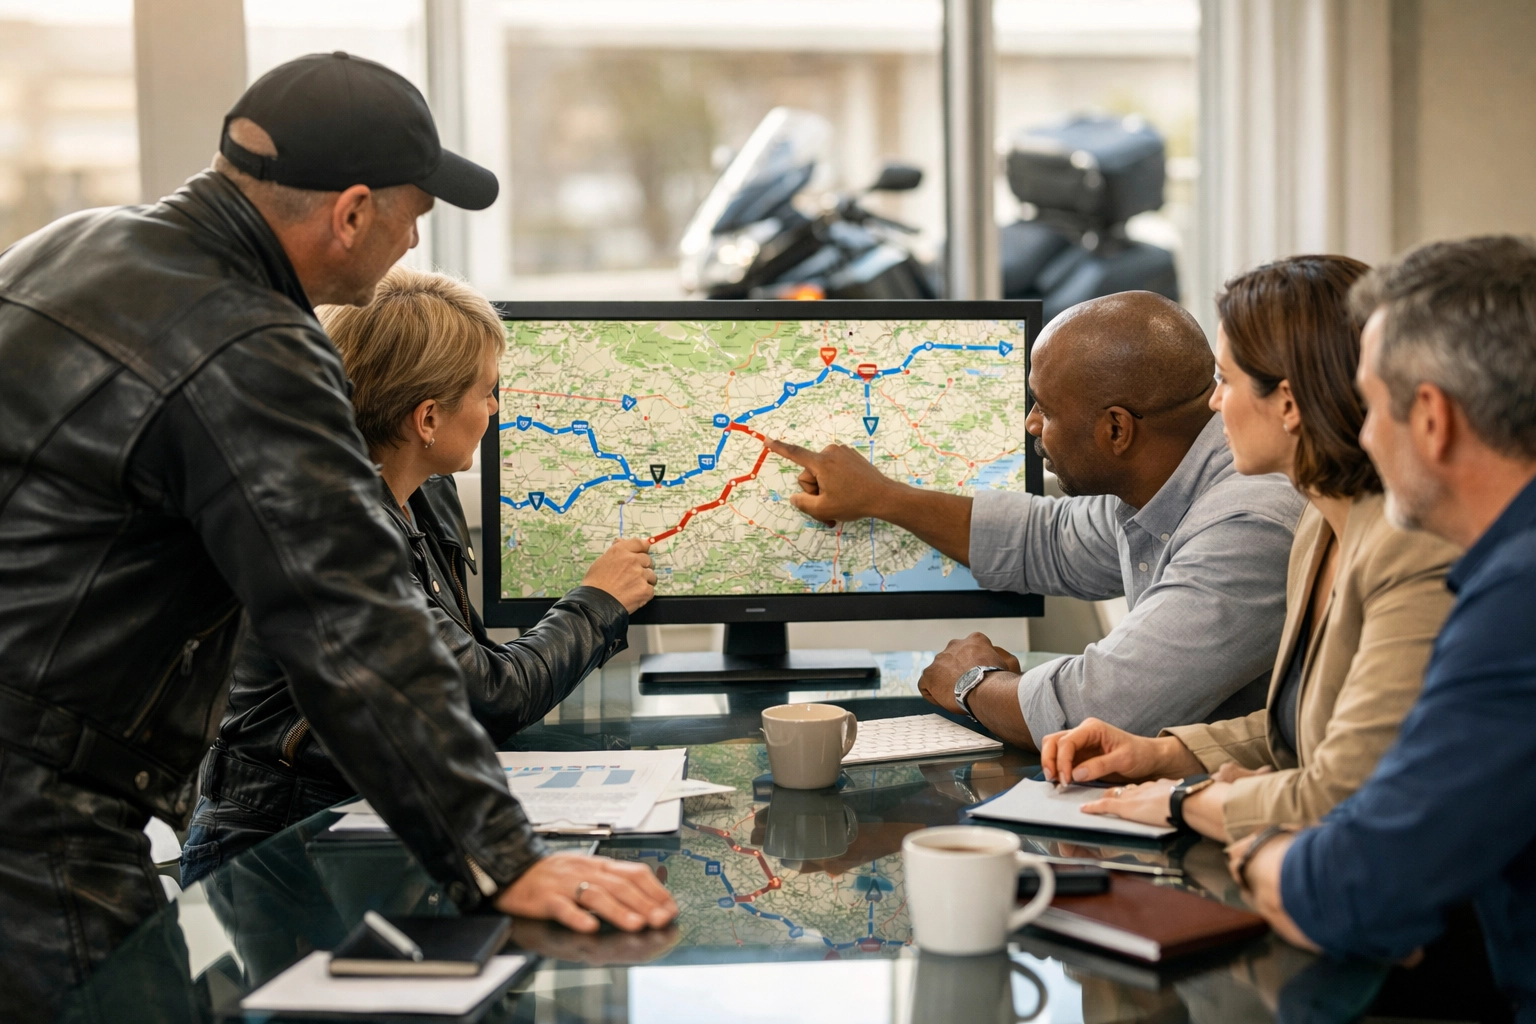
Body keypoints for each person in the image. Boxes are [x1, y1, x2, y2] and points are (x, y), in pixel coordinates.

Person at [0, 53, 670, 1023]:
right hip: (37, 814)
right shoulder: (249, 342)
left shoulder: (70, 246)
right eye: (412, 212)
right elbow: (354, 625)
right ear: (351, 212)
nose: (415, 238)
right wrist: (500, 858)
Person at [180, 266, 655, 884]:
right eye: (487, 391)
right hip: (281, 845)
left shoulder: (425, 493)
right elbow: (486, 695)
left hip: (366, 818)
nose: (494, 407)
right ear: (427, 419)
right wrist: (598, 602)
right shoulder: (326, 527)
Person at [1035, 255, 1458, 842]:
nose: (1212, 404)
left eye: (1225, 382)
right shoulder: (1319, 525)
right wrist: (1164, 755)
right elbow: (1309, 728)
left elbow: (1342, 787)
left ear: (1287, 404)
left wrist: (1187, 803)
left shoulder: (1404, 551)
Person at [768, 291, 1306, 749]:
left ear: (1116, 430)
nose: (1031, 425)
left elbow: (1102, 708)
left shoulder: (1246, 525)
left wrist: (972, 681)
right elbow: (1042, 540)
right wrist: (882, 497)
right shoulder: (1162, 482)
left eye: (1044, 409)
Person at [1233, 236, 1536, 1020]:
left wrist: (1264, 855)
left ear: (1431, 418)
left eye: (1372, 405)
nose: (1360, 434)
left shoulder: (1516, 605)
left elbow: (1357, 891)